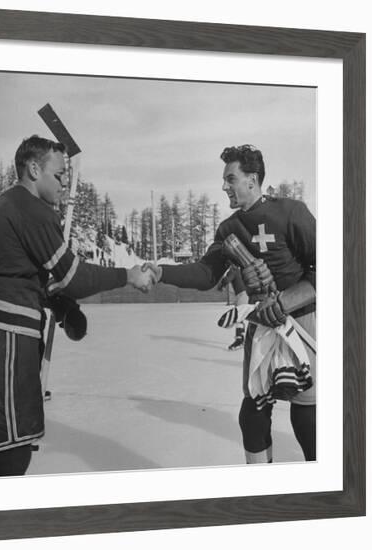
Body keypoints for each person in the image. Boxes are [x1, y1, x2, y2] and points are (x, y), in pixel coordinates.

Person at [0, 135, 156, 477]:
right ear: (34, 169)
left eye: (67, 175)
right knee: (8, 455)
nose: (64, 182)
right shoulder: (29, 209)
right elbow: (76, 277)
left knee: (12, 449)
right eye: (58, 174)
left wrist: (60, 304)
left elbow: (15, 273)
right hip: (2, 341)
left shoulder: (6, 204)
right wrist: (127, 275)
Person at [144, 144, 316, 464]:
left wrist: (286, 301)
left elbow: (326, 266)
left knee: (308, 416)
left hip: (301, 324)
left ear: (252, 179)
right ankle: (261, 492)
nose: (224, 186)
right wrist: (162, 271)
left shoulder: (292, 212)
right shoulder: (229, 229)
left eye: (230, 178)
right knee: (252, 413)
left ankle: (322, 486)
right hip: (261, 325)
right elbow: (206, 274)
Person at [217, 265, 248, 351]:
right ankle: (242, 338)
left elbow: (227, 279)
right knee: (242, 316)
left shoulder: (233, 269)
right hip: (246, 293)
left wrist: (222, 285)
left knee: (238, 317)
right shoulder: (242, 268)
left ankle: (240, 340)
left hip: (242, 294)